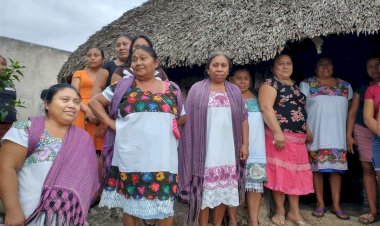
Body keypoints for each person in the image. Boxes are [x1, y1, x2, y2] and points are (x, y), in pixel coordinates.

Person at [89, 46, 183, 226]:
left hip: (163, 157)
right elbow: (95, 102)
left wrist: (164, 127)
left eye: (143, 58)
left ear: (156, 63)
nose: (138, 63)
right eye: (134, 59)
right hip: (132, 156)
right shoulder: (123, 85)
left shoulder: (172, 89)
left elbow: (182, 115)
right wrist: (111, 124)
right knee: (130, 205)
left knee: (165, 205)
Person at [0, 83, 99, 225]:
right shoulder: (26, 130)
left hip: (69, 219)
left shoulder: (84, 139)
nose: (72, 105)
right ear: (47, 104)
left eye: (76, 102)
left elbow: (88, 181)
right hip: (29, 217)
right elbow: (5, 168)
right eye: (65, 100)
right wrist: (13, 211)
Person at [178, 53, 249, 226]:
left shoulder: (234, 91)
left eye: (223, 65)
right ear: (208, 69)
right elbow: (187, 121)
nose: (219, 69)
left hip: (228, 150)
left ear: (228, 69)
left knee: (224, 190)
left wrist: (245, 144)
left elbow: (243, 119)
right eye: (215, 65)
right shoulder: (197, 89)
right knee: (203, 193)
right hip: (204, 150)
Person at [259, 53, 313, 226]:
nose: (285, 66)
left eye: (288, 63)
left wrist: (307, 128)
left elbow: (299, 109)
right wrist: (277, 132)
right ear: (274, 67)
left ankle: (294, 212)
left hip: (298, 139)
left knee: (296, 175)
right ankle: (280, 210)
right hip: (280, 138)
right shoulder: (270, 84)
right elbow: (266, 108)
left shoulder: (295, 86)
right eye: (280, 64)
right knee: (281, 174)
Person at [300, 57, 353, 221]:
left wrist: (348, 133)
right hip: (316, 134)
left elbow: (350, 112)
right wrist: (306, 128)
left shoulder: (345, 86)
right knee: (317, 171)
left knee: (336, 171)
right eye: (321, 64)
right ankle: (320, 203)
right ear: (315, 69)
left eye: (328, 64)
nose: (325, 67)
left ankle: (336, 205)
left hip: (337, 135)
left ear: (333, 66)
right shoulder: (307, 84)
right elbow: (299, 109)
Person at [229, 66, 266, 226]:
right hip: (233, 146)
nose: (243, 81)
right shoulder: (228, 97)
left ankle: (253, 221)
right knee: (232, 185)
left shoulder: (258, 96)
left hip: (257, 148)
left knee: (254, 186)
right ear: (231, 79)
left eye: (246, 78)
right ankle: (232, 219)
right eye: (239, 78)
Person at [347, 57, 380, 224]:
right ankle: (373, 210)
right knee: (368, 167)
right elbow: (353, 111)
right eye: (370, 67)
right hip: (364, 128)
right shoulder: (363, 87)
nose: (374, 69)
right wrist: (348, 135)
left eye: (377, 65)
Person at [71, 47, 107, 187]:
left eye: (96, 55)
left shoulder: (105, 74)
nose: (92, 57)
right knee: (80, 147)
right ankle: (78, 181)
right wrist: (87, 110)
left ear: (102, 59)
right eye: (89, 55)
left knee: (99, 149)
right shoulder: (78, 73)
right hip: (80, 111)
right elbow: (74, 94)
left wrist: (97, 112)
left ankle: (96, 184)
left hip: (99, 111)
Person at [0, 55, 17, 139]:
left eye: (4, 64)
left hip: (9, 126)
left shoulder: (10, 84)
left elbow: (12, 102)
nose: (2, 67)